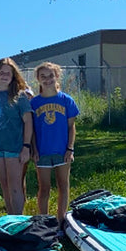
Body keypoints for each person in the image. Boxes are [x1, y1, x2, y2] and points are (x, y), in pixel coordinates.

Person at [0, 58, 34, 216]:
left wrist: (26, 146)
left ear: (13, 76)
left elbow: (28, 121)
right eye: (1, 72)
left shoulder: (19, 96)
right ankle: (10, 218)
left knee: (15, 185)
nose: (4, 76)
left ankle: (18, 219)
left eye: (8, 73)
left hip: (14, 146)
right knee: (5, 186)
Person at [30, 62, 80, 222]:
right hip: (42, 152)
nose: (47, 79)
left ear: (57, 76)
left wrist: (70, 149)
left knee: (63, 186)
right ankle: (44, 222)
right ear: (38, 79)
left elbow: (71, 127)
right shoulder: (34, 103)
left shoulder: (66, 100)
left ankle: (61, 221)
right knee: (44, 188)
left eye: (50, 75)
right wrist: (34, 149)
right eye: (43, 76)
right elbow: (31, 130)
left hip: (62, 151)